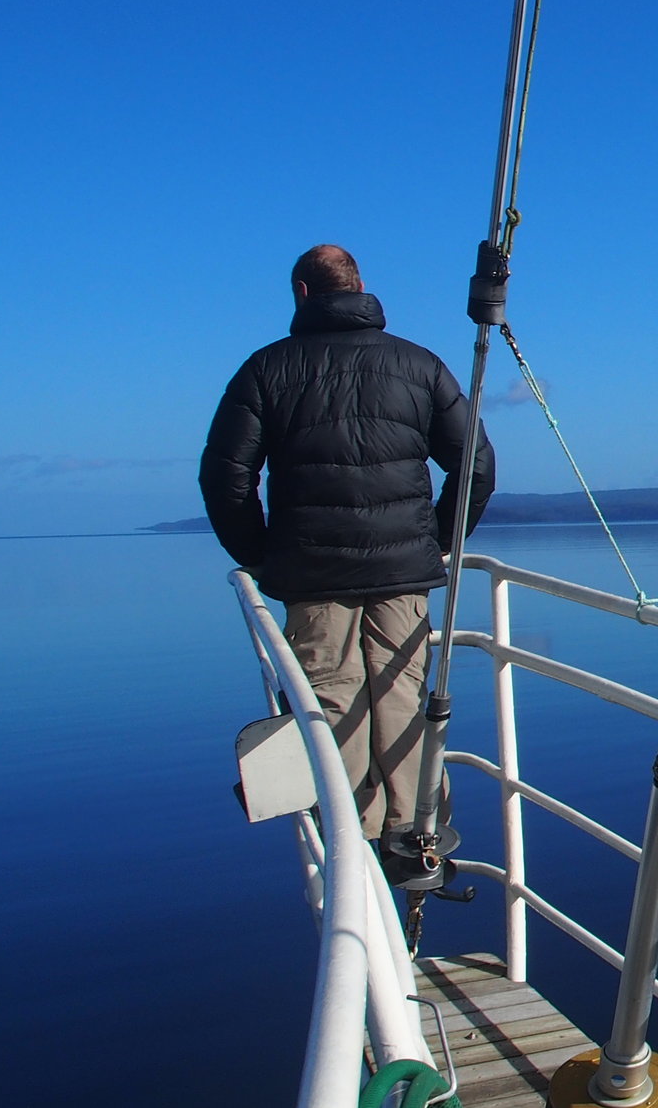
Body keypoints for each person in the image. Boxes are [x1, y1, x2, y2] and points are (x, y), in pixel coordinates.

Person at [201, 244, 495, 845]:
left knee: (332, 702)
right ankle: (416, 838)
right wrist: (437, 541)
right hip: (403, 575)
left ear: (303, 294)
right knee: (401, 699)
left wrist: (258, 554)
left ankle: (354, 848)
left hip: (311, 577)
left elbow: (226, 478)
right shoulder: (419, 366)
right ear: (360, 286)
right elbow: (477, 465)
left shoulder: (266, 370)